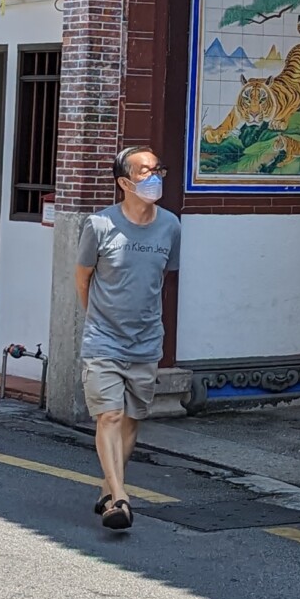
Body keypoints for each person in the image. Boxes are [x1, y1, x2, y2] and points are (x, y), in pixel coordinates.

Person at [76, 144, 181, 533]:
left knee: (133, 419)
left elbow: (162, 280)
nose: (153, 178)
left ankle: (107, 489)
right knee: (110, 415)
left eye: (157, 170)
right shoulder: (99, 225)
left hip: (146, 340)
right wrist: (98, 320)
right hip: (104, 339)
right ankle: (120, 498)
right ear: (124, 182)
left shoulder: (170, 225)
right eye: (143, 172)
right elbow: (82, 279)